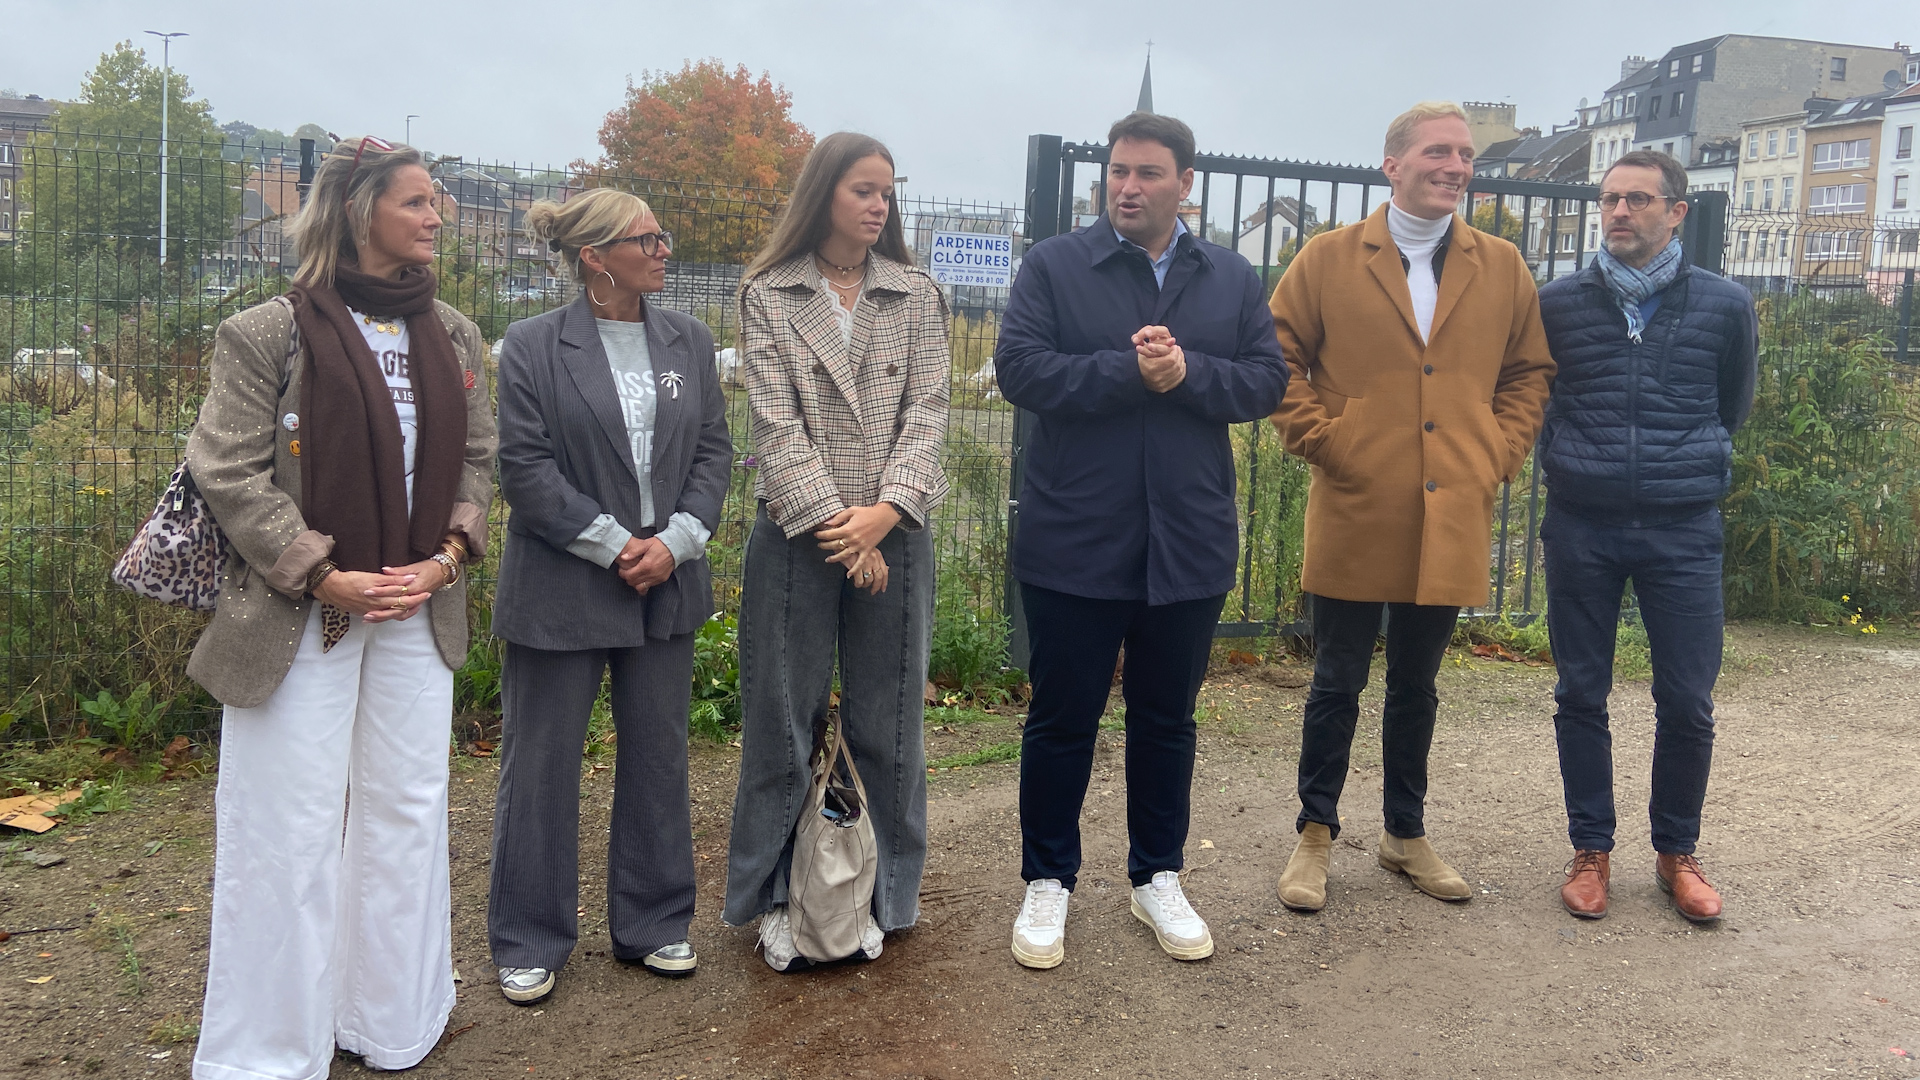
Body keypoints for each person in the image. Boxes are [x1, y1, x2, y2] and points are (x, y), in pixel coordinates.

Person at [184, 136, 496, 1078]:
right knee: (288, 824)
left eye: (436, 202)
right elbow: (226, 468)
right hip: (302, 612)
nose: (436, 217)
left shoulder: (456, 335)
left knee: (407, 810)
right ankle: (268, 1053)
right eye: (417, 204)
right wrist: (321, 573)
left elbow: (478, 461)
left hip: (415, 603)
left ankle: (390, 1020)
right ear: (363, 216)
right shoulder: (266, 332)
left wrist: (448, 556)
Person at [995, 111, 1289, 969]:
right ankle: (1048, 881)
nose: (1128, 186)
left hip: (1188, 541)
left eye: (1148, 173)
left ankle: (1156, 874)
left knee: (1167, 721)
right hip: (1075, 540)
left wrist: (1191, 372)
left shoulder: (1231, 277)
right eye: (1117, 172)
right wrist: (1130, 371)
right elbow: (1021, 370)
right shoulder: (1056, 265)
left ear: (1185, 183)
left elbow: (1266, 380)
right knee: (1061, 720)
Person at [1267, 102, 1554, 914]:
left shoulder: (1500, 266)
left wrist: (1495, 454)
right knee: (1336, 679)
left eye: (1465, 154)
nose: (1456, 166)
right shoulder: (1326, 260)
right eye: (1438, 151)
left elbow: (1529, 371)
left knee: (1417, 683)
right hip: (1358, 498)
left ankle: (1405, 832)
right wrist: (1329, 440)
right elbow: (1275, 357)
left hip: (1454, 504)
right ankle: (1315, 833)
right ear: (1391, 164)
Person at [486, 188, 733, 1004]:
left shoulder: (689, 341)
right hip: (561, 585)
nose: (665, 249)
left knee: (661, 757)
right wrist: (615, 543)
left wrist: (676, 542)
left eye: (663, 236)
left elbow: (713, 453)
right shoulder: (529, 346)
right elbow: (523, 468)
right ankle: (529, 936)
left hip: (665, 583)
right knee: (542, 765)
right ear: (595, 257)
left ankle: (655, 923)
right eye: (648, 238)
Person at [722, 132, 951, 970]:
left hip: (896, 535)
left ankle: (879, 894)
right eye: (862, 189)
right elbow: (774, 427)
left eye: (887, 191)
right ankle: (781, 898)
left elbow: (930, 416)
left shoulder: (916, 295)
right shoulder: (769, 292)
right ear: (823, 195)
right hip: (796, 536)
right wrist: (843, 530)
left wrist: (883, 517)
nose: (878, 204)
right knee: (783, 721)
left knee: (890, 721)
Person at [1536, 150, 1756, 924]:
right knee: (1580, 693)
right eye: (1608, 199)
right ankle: (1591, 850)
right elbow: (1540, 401)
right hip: (1581, 525)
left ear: (1675, 212)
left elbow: (1732, 405)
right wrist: (1573, 466)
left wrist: (1687, 466)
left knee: (1688, 701)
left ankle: (1676, 853)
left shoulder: (1726, 306)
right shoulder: (1557, 303)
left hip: (1683, 528)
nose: (1619, 211)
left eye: (1636, 199)